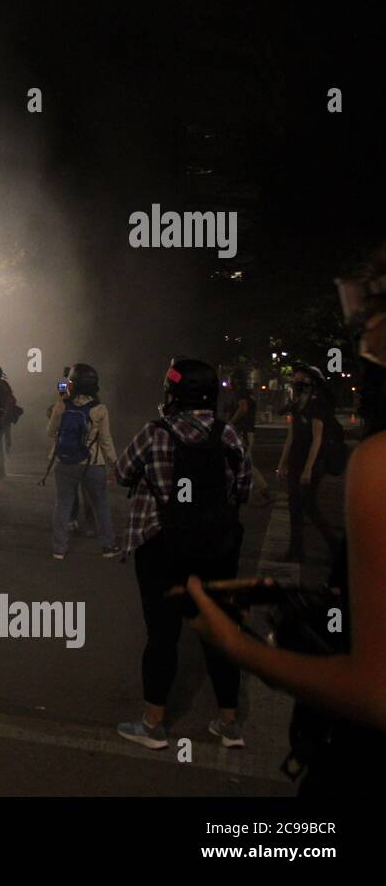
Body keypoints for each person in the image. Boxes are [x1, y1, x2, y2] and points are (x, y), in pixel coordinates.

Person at [191, 255, 386, 797]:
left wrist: (244, 649)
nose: (368, 349)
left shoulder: (380, 463)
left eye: (374, 331)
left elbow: (376, 691)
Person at [113, 358, 251, 750]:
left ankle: (154, 724)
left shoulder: (155, 433)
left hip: (162, 547)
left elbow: (122, 473)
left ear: (173, 394)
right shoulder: (229, 436)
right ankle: (229, 725)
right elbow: (240, 490)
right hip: (217, 549)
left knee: (162, 636)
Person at [45, 364, 118, 560]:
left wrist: (62, 392)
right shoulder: (100, 409)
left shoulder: (61, 405)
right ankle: (108, 547)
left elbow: (50, 432)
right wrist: (114, 463)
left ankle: (59, 549)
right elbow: (106, 440)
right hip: (92, 464)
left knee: (62, 505)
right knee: (101, 505)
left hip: (64, 462)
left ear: (73, 384)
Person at [276, 364, 339, 563]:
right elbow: (290, 437)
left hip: (312, 463)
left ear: (312, 382)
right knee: (294, 507)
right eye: (295, 378)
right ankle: (296, 551)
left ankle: (336, 547)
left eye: (301, 379)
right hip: (296, 461)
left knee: (309, 507)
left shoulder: (318, 405)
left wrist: (308, 469)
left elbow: (317, 439)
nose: (296, 381)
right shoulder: (297, 405)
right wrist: (282, 464)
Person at [227, 370, 273, 505]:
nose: (229, 382)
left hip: (243, 432)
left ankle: (263, 491)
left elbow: (243, 408)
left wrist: (230, 423)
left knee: (245, 463)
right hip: (247, 431)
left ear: (236, 381)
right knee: (244, 462)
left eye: (230, 379)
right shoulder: (248, 393)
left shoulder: (240, 392)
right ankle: (254, 493)